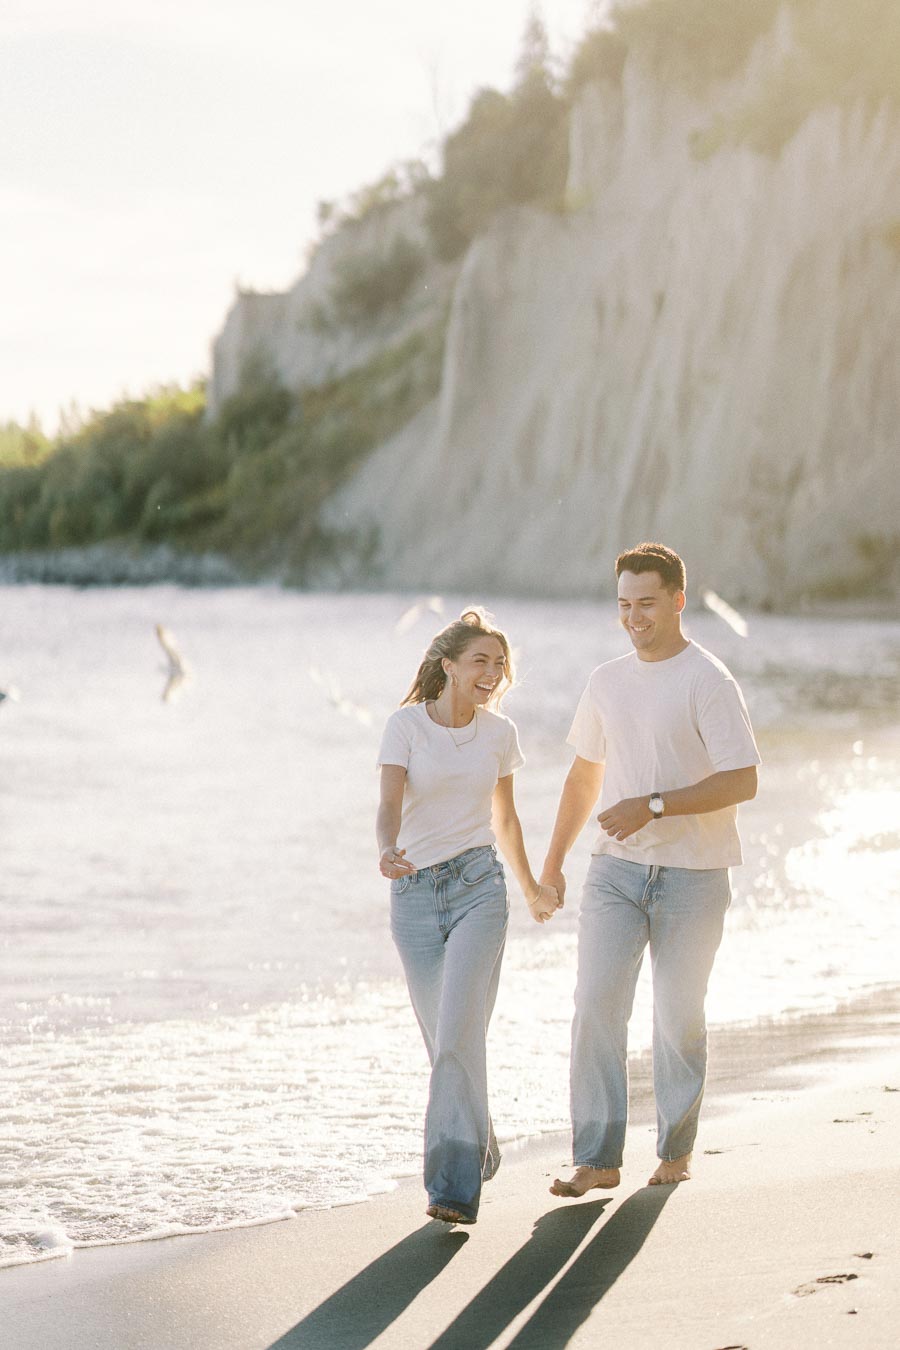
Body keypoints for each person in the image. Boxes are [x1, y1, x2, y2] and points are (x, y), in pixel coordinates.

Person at [541, 543, 760, 1196]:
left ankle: (674, 1148)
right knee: (595, 1005)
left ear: (677, 601)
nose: (634, 618)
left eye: (646, 604)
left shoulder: (708, 680)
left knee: (677, 1015)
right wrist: (551, 864)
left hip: (694, 875)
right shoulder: (606, 681)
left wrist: (654, 806)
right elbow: (584, 777)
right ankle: (598, 1157)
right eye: (624, 606)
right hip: (615, 873)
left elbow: (744, 779)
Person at [377, 607, 560, 1225]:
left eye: (499, 664)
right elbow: (388, 804)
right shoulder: (405, 726)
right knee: (445, 1044)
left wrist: (532, 886)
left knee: (457, 1034)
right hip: (415, 898)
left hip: (480, 889)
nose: (491, 673)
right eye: (480, 661)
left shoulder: (499, 735)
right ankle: (477, 1132)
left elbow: (505, 821)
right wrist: (385, 848)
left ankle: (452, 1190)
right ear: (448, 666)